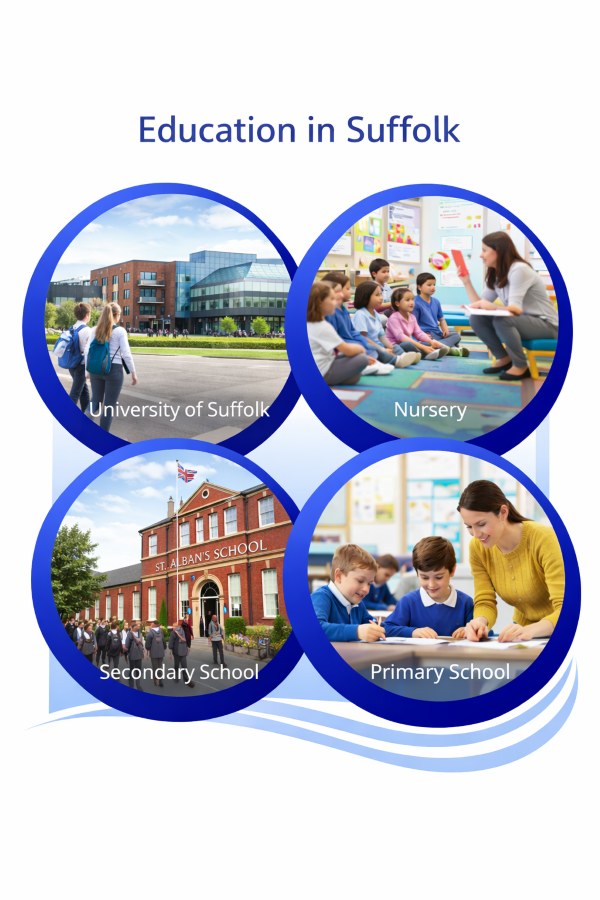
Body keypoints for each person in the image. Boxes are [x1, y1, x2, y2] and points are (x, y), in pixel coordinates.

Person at [458, 480, 564, 642]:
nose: (476, 534)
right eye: (469, 527)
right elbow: (485, 600)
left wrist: (531, 630)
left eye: (481, 524)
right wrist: (480, 621)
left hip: (561, 630)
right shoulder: (478, 547)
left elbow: (567, 607)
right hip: (523, 633)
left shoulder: (545, 540)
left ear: (503, 512)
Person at [458, 231, 559, 380]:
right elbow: (480, 304)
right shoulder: (496, 273)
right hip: (524, 322)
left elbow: (515, 309)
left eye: (484, 250)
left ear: (498, 250)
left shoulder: (519, 269)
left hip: (548, 324)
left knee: (503, 320)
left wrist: (493, 307)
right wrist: (466, 282)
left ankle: (520, 366)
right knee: (476, 318)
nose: (481, 255)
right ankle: (504, 358)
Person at [384, 537, 474, 638]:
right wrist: (413, 632)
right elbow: (386, 629)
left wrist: (470, 631)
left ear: (452, 571)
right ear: (416, 572)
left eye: (439, 577)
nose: (432, 585)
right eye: (424, 577)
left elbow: (485, 632)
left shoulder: (466, 603)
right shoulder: (408, 602)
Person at [311, 544, 386, 642]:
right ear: (339, 576)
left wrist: (375, 628)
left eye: (369, 584)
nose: (366, 590)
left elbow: (370, 622)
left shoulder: (358, 604)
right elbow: (314, 629)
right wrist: (357, 632)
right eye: (360, 581)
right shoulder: (321, 597)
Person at [323, 274, 393, 376]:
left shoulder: (344, 310)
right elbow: (336, 339)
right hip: (338, 351)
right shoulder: (331, 314)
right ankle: (367, 365)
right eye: (346, 289)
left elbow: (353, 332)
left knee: (365, 347)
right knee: (365, 351)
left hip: (350, 344)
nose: (350, 292)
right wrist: (359, 345)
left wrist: (361, 342)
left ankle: (374, 363)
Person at [307, 281, 373, 385]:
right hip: (323, 372)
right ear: (320, 301)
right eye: (332, 299)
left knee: (355, 377)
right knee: (362, 359)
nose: (336, 302)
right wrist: (361, 349)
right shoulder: (323, 327)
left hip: (320, 366)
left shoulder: (310, 324)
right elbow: (348, 350)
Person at [86, 302, 137, 432]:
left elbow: (88, 351)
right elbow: (126, 354)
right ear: (117, 315)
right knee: (108, 406)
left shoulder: (94, 329)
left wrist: (88, 370)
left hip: (95, 369)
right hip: (114, 370)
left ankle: (83, 425)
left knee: (95, 400)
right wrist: (133, 372)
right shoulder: (120, 331)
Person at [352, 282, 420, 369]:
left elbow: (381, 336)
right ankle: (397, 360)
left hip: (379, 345)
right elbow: (362, 338)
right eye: (377, 295)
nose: (381, 298)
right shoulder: (360, 314)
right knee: (380, 352)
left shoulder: (375, 314)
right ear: (365, 298)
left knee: (397, 346)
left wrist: (391, 348)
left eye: (381, 294)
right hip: (368, 348)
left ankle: (403, 357)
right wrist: (382, 349)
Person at [386, 288, 455, 360]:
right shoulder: (394, 318)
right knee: (410, 344)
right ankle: (425, 355)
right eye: (407, 300)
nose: (411, 302)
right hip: (396, 345)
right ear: (397, 303)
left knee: (427, 344)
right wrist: (422, 347)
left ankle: (430, 352)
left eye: (412, 299)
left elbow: (418, 333)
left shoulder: (412, 317)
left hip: (409, 344)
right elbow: (401, 337)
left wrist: (430, 341)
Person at [413, 274, 462, 349]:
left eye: (434, 284)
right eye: (429, 285)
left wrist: (445, 328)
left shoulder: (436, 301)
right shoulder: (415, 303)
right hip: (426, 335)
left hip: (437, 333)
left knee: (456, 336)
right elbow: (413, 324)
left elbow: (441, 319)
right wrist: (423, 335)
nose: (433, 287)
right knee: (452, 341)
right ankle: (448, 347)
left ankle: (438, 346)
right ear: (419, 287)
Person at [68, 303, 93, 412]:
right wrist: (88, 369)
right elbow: (89, 351)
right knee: (75, 393)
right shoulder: (88, 330)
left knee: (84, 391)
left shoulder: (72, 328)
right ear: (87, 315)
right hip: (81, 365)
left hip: (72, 364)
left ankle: (85, 417)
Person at [168, 621, 195, 687]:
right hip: (183, 651)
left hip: (177, 652)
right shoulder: (182, 631)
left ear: (173, 627)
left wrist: (171, 648)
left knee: (176, 665)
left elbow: (170, 645)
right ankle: (187, 680)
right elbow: (186, 639)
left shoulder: (173, 633)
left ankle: (176, 678)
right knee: (184, 666)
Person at [145, 619, 167, 687]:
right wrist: (164, 648)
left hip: (153, 652)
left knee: (155, 667)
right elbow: (163, 641)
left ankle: (156, 679)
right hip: (160, 652)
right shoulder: (161, 632)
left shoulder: (151, 633)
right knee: (160, 666)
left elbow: (147, 644)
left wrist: (148, 649)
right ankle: (160, 681)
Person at [125, 621, 145, 690]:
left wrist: (142, 654)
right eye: (136, 626)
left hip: (139, 654)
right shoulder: (130, 634)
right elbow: (127, 645)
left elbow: (141, 644)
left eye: (138, 626)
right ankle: (131, 684)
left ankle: (138, 685)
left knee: (138, 670)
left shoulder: (140, 634)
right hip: (132, 654)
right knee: (132, 669)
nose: (138, 627)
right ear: (133, 628)